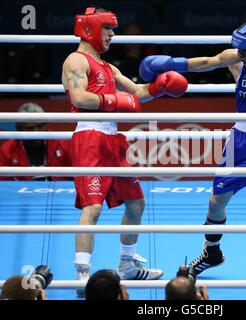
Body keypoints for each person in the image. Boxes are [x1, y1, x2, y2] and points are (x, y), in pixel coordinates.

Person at [139, 19, 246, 282]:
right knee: (216, 201)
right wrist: (173, 64)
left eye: (245, 50)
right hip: (240, 139)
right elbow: (206, 62)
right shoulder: (236, 59)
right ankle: (211, 253)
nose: (239, 54)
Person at [61, 6, 188, 293]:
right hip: (90, 138)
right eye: (107, 28)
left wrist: (160, 86)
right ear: (90, 28)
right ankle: (82, 274)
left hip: (113, 139)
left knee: (136, 203)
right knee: (92, 207)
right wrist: (113, 101)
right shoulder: (76, 60)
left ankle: (127, 265)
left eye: (113, 29)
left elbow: (138, 94)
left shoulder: (109, 67)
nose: (112, 34)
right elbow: (79, 97)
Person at [0, 102, 72, 181]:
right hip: (24, 192)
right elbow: (3, 186)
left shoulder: (62, 143)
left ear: (45, 124)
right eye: (30, 128)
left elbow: (79, 176)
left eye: (39, 126)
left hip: (59, 191)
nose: (36, 132)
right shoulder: (7, 150)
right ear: (19, 129)